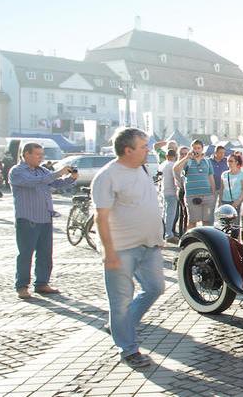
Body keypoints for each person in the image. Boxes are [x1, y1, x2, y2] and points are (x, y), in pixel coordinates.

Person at [92, 127, 165, 369]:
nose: (148, 150)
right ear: (128, 150)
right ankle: (128, 349)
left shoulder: (142, 168)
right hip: (121, 249)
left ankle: (119, 326)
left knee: (155, 288)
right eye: (144, 146)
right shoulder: (107, 176)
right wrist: (108, 252)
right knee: (120, 302)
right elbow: (100, 217)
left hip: (149, 245)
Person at [9, 142, 78, 299]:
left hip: (45, 217)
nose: (41, 157)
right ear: (26, 154)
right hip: (27, 218)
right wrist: (58, 172)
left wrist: (70, 178)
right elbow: (33, 182)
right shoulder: (17, 171)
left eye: (42, 154)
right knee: (26, 254)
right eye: (38, 154)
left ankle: (42, 283)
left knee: (45, 253)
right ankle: (21, 286)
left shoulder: (42, 170)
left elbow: (55, 184)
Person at [174, 140, 216, 229]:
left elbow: (211, 177)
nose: (196, 150)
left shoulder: (207, 161)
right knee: (192, 222)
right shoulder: (187, 161)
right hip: (192, 196)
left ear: (202, 149)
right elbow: (175, 169)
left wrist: (213, 193)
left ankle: (206, 241)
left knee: (207, 222)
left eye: (198, 148)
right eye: (194, 148)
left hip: (207, 195)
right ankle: (190, 241)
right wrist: (186, 158)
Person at [159, 149, 179, 243]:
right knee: (170, 214)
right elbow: (175, 179)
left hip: (164, 191)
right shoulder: (173, 165)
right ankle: (169, 234)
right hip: (172, 192)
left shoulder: (162, 164)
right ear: (175, 156)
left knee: (164, 213)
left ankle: (163, 233)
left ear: (166, 156)